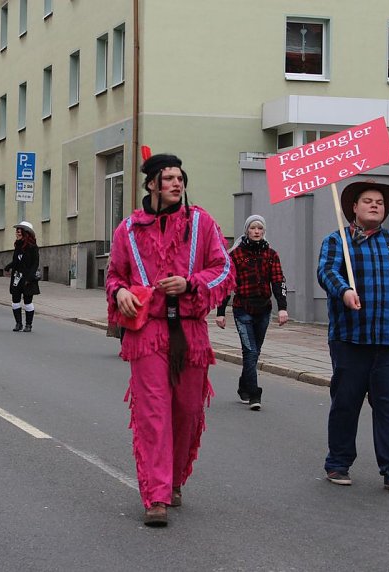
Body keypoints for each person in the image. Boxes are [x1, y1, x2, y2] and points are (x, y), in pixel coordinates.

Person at [105, 150, 234, 526]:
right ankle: (156, 495)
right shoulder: (128, 229)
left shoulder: (202, 223)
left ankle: (175, 479)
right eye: (169, 178)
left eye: (181, 178)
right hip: (148, 332)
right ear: (151, 184)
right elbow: (115, 275)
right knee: (153, 413)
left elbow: (223, 269)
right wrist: (120, 294)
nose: (177, 183)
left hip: (191, 332)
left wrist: (190, 282)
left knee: (188, 412)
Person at [318, 180, 389, 495]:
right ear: (354, 208)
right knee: (346, 403)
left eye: (380, 202)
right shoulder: (338, 241)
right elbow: (327, 272)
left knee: (388, 406)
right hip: (351, 340)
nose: (376, 205)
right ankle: (338, 462)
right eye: (368, 201)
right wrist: (344, 291)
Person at [215, 215, 289, 410]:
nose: (256, 231)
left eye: (260, 228)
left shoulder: (271, 254)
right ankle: (255, 394)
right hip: (242, 310)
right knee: (250, 351)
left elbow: (278, 281)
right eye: (253, 228)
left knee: (254, 353)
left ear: (264, 232)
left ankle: (243, 386)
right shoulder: (236, 255)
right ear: (247, 230)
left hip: (264, 310)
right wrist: (220, 312)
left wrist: (282, 308)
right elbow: (226, 284)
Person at [4, 221, 41, 332]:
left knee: (28, 301)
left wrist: (29, 278)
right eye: (17, 232)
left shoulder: (33, 247)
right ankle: (18, 323)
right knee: (15, 300)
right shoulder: (18, 245)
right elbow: (16, 261)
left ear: (26, 234)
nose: (17, 234)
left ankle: (28, 325)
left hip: (28, 279)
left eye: (19, 232)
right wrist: (8, 266)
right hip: (17, 277)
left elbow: (35, 264)